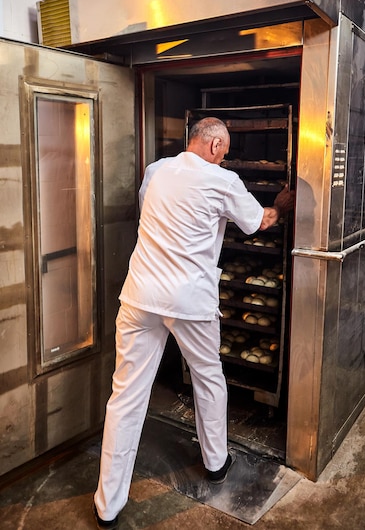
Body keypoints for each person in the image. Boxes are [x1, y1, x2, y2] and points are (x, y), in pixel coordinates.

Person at [93, 116, 295, 529]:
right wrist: (280, 204)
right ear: (216, 146)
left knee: (126, 397)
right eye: (227, 149)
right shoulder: (224, 180)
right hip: (189, 300)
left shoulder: (156, 170)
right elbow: (258, 223)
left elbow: (153, 209)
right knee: (208, 377)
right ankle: (216, 463)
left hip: (140, 295)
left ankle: (107, 506)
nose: (226, 156)